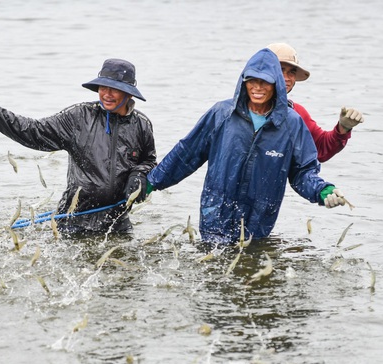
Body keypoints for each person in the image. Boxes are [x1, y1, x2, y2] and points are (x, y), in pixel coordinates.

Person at [146, 48, 346, 245]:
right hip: (215, 216)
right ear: (243, 81)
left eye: (265, 81)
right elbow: (186, 154)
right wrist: (151, 182)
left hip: (258, 222)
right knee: (213, 268)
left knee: (251, 269)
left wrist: (322, 190)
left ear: (276, 84)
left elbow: (303, 172)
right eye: (252, 80)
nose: (257, 87)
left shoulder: (292, 123)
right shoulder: (221, 114)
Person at [0, 58, 156, 235]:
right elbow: (34, 131)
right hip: (73, 222)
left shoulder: (142, 125)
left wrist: (139, 174)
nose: (107, 94)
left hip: (117, 223)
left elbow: (149, 160)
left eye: (114, 89)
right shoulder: (79, 117)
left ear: (129, 93)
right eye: (103, 87)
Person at [267, 42, 364, 162]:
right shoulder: (240, 109)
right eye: (281, 70)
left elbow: (320, 148)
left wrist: (343, 128)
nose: (286, 77)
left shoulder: (297, 112)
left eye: (292, 72)